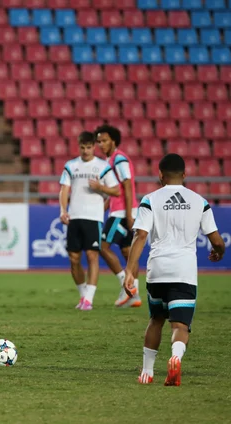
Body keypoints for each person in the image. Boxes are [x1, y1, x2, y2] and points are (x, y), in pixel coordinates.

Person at [124, 153, 225, 386]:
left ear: (160, 175)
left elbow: (140, 235)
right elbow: (217, 240)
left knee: (156, 319)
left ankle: (147, 373)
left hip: (157, 270)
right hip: (184, 272)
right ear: (185, 175)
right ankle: (175, 358)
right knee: (180, 326)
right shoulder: (200, 201)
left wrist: (130, 271)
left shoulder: (150, 199)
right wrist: (219, 252)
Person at [59, 131, 120, 311]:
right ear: (78, 147)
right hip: (75, 216)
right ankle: (83, 294)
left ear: (94, 147)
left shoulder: (102, 167)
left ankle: (88, 300)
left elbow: (116, 191)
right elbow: (64, 190)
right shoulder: (71, 166)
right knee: (74, 258)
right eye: (83, 147)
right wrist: (63, 210)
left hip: (93, 217)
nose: (86, 151)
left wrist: (100, 187)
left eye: (89, 147)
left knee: (92, 255)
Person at [95, 125, 142, 308]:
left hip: (123, 212)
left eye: (104, 140)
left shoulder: (119, 159)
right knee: (127, 252)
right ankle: (134, 295)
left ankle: (128, 286)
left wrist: (129, 213)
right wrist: (104, 206)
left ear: (113, 141)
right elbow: (118, 191)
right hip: (122, 209)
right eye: (98, 141)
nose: (101, 144)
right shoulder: (111, 160)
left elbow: (128, 185)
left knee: (102, 246)